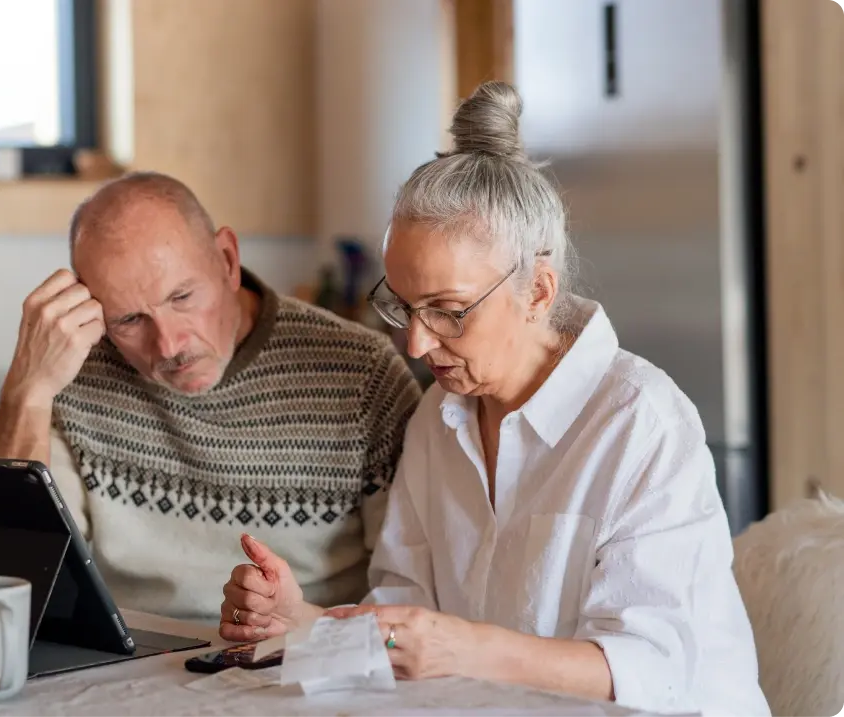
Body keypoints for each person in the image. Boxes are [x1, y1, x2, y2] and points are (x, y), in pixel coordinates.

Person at [217, 81, 770, 717]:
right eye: (402, 306)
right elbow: (407, 627)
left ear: (538, 290)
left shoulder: (640, 422)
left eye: (449, 311)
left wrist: (461, 649)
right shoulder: (437, 418)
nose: (418, 345)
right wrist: (302, 620)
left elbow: (654, 668)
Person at [0, 171, 423, 623]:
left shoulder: (361, 373)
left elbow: (412, 599)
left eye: (182, 297)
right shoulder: (74, 370)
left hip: (303, 662)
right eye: (130, 320)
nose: (169, 346)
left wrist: (308, 624)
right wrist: (27, 391)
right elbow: (12, 580)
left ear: (228, 260)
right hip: (128, 667)